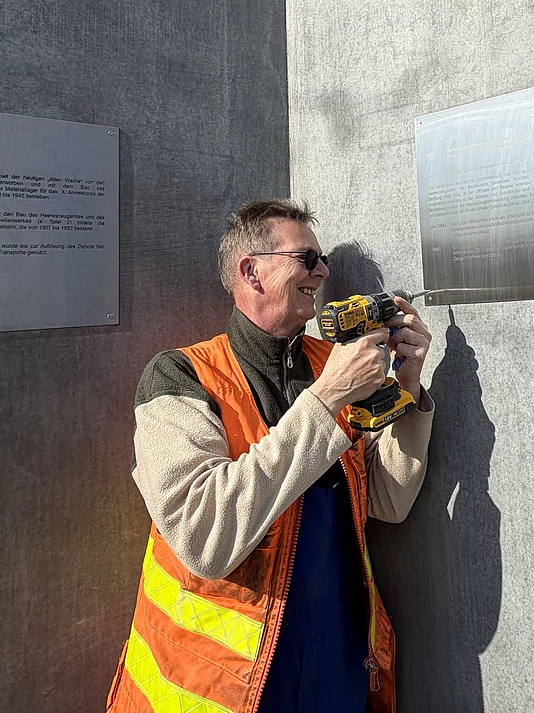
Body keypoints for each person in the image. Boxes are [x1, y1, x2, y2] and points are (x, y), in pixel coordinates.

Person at [106, 199, 434, 713]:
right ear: (251, 271)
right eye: (306, 259)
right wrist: (326, 400)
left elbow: (388, 500)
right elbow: (203, 536)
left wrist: (408, 388)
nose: (323, 273)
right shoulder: (179, 377)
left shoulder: (334, 365)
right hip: (224, 684)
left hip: (336, 655)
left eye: (322, 259)